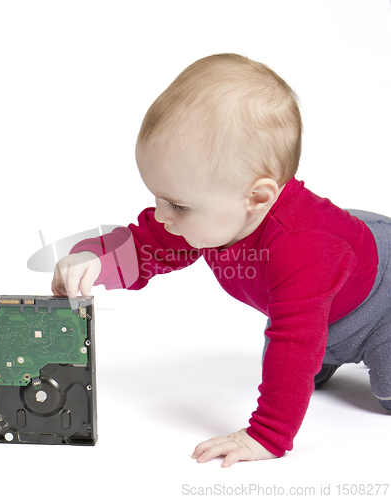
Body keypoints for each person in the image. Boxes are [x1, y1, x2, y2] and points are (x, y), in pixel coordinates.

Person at [51, 54, 391, 467]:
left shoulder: (303, 248)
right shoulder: (213, 213)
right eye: (158, 199)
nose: (161, 216)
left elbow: (296, 338)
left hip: (380, 305)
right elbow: (146, 245)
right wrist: (93, 259)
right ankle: (329, 354)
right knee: (305, 357)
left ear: (258, 198)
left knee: (379, 391)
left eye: (176, 204)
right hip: (323, 300)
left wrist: (267, 434)